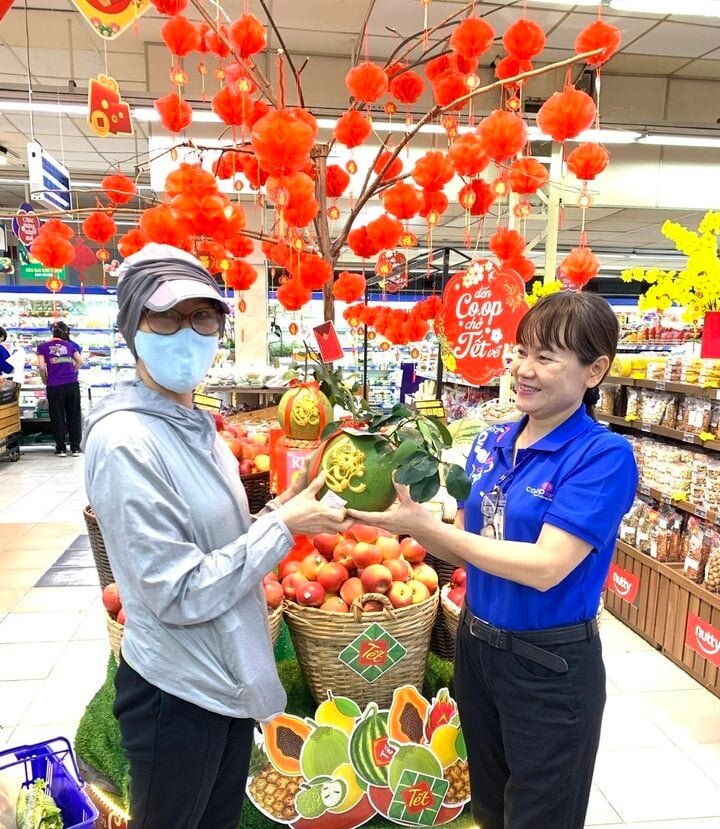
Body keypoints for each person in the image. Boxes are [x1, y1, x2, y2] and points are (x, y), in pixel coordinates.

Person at [83, 243, 351, 829]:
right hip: (176, 693)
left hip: (222, 678)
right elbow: (175, 591)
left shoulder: (195, 427)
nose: (187, 333)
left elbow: (213, 544)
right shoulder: (128, 442)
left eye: (202, 317)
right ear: (132, 326)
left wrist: (282, 508)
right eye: (166, 317)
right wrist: (280, 528)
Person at [348, 290, 638, 829]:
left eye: (546, 357)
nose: (523, 370)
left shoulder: (602, 456)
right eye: (521, 350)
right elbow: (460, 543)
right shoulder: (494, 442)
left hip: (547, 664)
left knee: (539, 814)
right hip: (477, 647)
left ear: (594, 370)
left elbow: (547, 565)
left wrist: (430, 530)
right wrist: (387, 521)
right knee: (489, 806)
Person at [37, 322, 84, 457]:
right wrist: (71, 372)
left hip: (54, 386)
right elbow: (80, 361)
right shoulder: (70, 345)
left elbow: (41, 367)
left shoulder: (42, 347)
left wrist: (44, 379)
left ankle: (61, 448)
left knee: (57, 416)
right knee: (74, 415)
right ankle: (75, 448)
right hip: (72, 384)